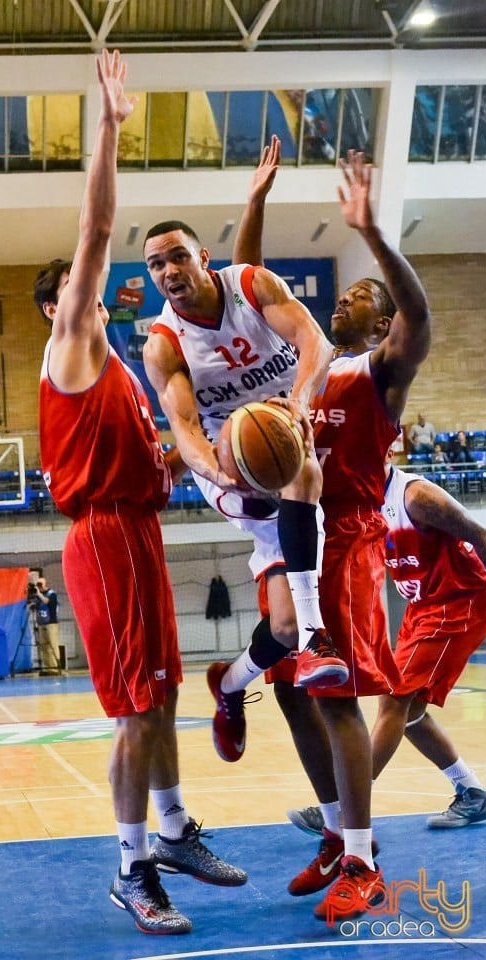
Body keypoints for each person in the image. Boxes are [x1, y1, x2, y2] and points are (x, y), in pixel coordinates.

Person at [35, 49, 246, 937]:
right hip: (102, 538)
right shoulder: (74, 345)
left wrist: (175, 460)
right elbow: (93, 237)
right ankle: (130, 869)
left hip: (139, 531)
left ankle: (170, 827)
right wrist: (110, 133)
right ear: (58, 307)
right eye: (68, 294)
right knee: (133, 709)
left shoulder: (120, 371)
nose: (82, 293)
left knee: (160, 696)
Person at [234, 148, 432, 922]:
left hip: (346, 537)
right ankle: (335, 833)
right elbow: (251, 290)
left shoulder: (381, 370)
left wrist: (374, 236)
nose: (341, 301)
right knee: (290, 694)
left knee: (340, 694)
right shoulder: (306, 371)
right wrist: (256, 198)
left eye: (356, 295)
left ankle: (362, 857)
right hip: (290, 536)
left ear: (380, 323)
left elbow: (421, 320)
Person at [142, 135, 347, 766]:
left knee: (278, 628)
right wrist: (221, 474)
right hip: (231, 463)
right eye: (156, 265)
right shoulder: (163, 345)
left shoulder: (252, 284)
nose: (169, 271)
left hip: (286, 423)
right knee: (298, 469)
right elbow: (185, 434)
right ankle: (319, 642)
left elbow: (313, 340)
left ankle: (229, 687)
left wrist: (302, 401)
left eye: (177, 256)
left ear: (203, 258)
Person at [289, 455, 486, 835]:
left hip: (460, 599)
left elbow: (481, 536)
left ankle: (345, 809)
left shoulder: (416, 497)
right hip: (423, 606)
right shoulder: (358, 505)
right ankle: (471, 791)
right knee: (408, 712)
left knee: (394, 701)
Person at [32, 576, 60, 674]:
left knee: (52, 645)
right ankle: (48, 667)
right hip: (41, 623)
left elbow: (47, 601)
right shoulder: (37, 596)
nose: (39, 586)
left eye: (41, 584)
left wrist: (39, 594)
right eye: (37, 584)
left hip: (51, 623)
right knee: (44, 646)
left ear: (45, 584)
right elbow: (34, 605)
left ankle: (55, 667)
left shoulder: (52, 594)